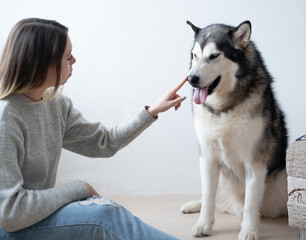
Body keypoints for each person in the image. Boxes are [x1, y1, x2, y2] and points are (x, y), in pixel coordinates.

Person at [0, 18, 187, 240]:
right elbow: (10, 213)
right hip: (8, 228)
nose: (75, 60)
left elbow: (104, 142)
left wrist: (151, 111)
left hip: (33, 218)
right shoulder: (6, 119)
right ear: (44, 63)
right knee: (102, 216)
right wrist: (79, 188)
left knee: (104, 210)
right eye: (68, 57)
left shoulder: (56, 105)